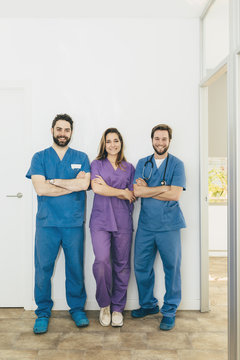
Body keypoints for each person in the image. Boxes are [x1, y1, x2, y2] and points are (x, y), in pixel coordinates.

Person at [26, 114, 91, 334]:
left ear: (72, 132)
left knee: (75, 268)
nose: (63, 133)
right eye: (59, 129)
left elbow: (84, 184)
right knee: (43, 269)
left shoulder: (81, 157)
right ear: (52, 130)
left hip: (73, 223)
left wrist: (55, 181)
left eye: (67, 130)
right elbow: (40, 188)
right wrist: (72, 185)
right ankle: (43, 312)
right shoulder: (39, 157)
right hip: (47, 224)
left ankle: (77, 309)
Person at [131, 124, 186, 331]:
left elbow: (175, 194)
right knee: (141, 267)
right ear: (151, 139)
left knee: (171, 268)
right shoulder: (142, 163)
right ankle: (148, 305)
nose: (160, 142)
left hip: (169, 225)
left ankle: (169, 310)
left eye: (164, 139)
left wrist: (149, 189)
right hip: (146, 225)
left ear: (169, 140)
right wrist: (163, 187)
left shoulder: (177, 165)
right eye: (157, 138)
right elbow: (137, 191)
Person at [90, 128, 135, 327]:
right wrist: (121, 192)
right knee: (102, 262)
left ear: (121, 143)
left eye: (116, 140)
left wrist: (117, 191)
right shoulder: (96, 164)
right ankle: (104, 305)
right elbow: (97, 188)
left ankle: (117, 308)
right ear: (103, 144)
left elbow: (132, 195)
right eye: (108, 141)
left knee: (122, 265)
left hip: (123, 220)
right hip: (100, 221)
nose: (112, 145)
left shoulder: (129, 167)